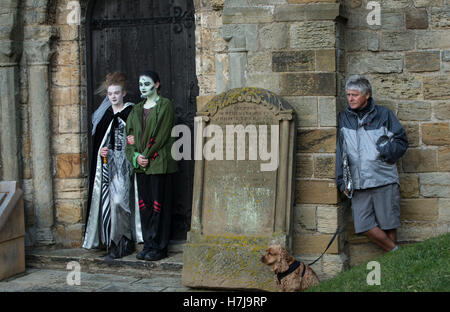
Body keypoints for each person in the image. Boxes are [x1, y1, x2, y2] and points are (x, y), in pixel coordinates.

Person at [335, 75, 408, 252]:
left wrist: (385, 149)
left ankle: (393, 265)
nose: (350, 99)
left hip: (383, 178)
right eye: (348, 95)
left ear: (367, 95)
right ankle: (397, 253)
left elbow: (401, 142)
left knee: (388, 224)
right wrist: (341, 181)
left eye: (354, 95)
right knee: (363, 225)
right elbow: (340, 152)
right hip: (358, 183)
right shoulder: (343, 118)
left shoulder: (384, 115)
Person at [83, 72, 141, 261]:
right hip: (109, 167)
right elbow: (100, 142)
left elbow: (142, 135)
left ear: (124, 93)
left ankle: (125, 240)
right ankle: (114, 243)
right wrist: (102, 152)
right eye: (110, 94)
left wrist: (134, 141)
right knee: (110, 202)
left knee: (120, 202)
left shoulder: (132, 111)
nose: (113, 97)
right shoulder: (105, 116)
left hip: (127, 165)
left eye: (116, 93)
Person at [125, 70, 178, 261]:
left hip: (159, 163)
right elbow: (128, 139)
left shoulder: (165, 106)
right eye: (140, 84)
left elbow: (161, 135)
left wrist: (145, 155)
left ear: (156, 84)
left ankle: (160, 247)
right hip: (141, 165)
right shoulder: (136, 110)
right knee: (145, 206)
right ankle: (148, 245)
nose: (143, 88)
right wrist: (136, 157)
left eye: (146, 84)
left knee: (158, 206)